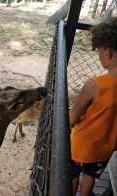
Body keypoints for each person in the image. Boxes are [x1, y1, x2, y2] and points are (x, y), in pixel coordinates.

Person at [70, 16, 117, 196]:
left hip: (82, 145)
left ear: (108, 52)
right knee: (90, 177)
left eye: (98, 52)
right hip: (105, 149)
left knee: (72, 174)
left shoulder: (95, 85)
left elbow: (73, 118)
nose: (99, 57)